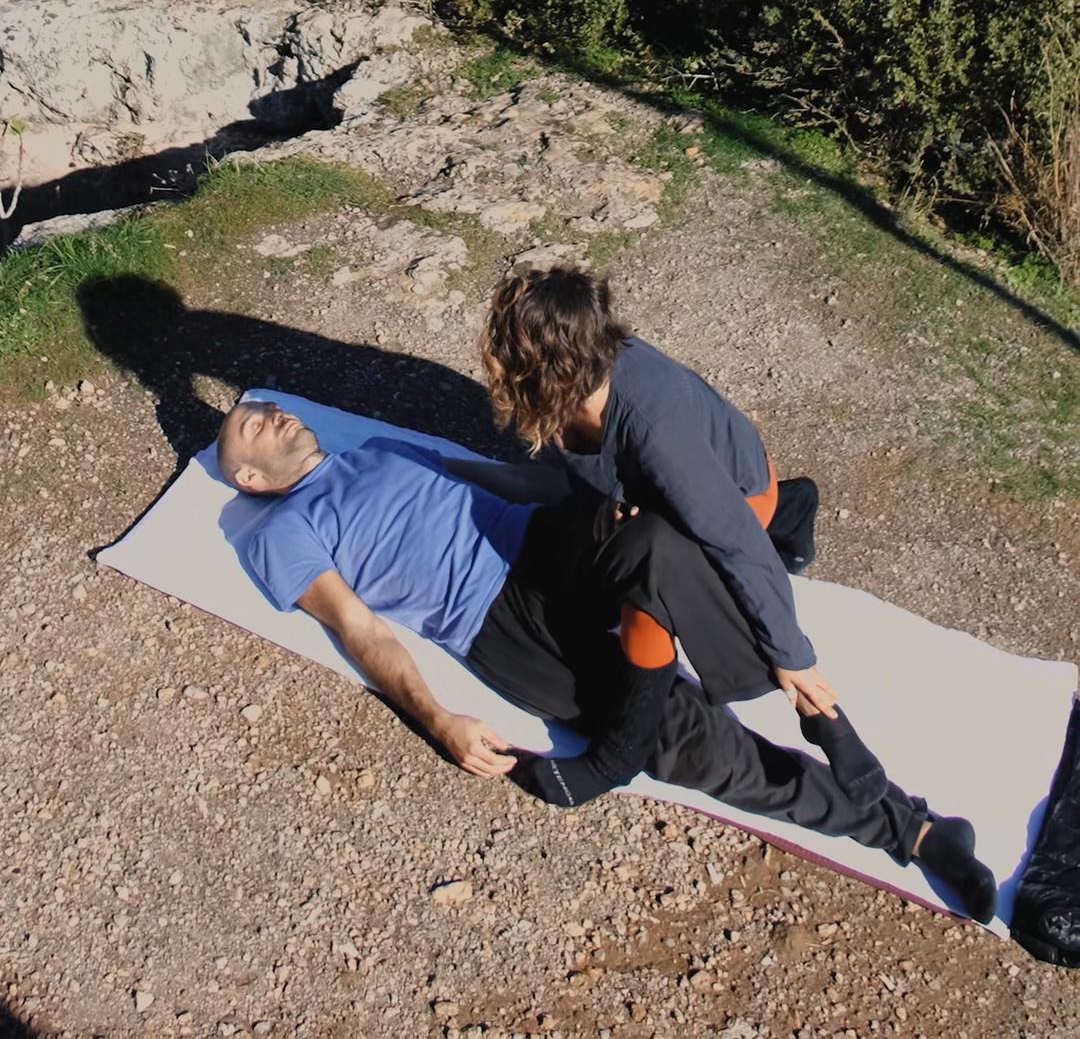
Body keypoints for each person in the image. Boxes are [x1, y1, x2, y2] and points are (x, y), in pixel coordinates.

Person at [215, 398, 999, 922]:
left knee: (653, 537)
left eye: (264, 409)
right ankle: (913, 831)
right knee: (682, 742)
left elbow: (494, 477)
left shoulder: (375, 448)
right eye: (252, 426)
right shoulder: (281, 532)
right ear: (248, 478)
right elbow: (359, 629)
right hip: (498, 624)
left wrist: (587, 496)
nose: (272, 414)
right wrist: (438, 719)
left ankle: (768, 569)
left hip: (541, 538)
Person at [482, 265, 885, 807]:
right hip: (672, 485)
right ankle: (794, 510)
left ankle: (624, 755)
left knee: (650, 576)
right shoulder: (568, 392)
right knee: (609, 550)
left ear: (554, 366)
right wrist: (606, 503)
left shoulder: (657, 428)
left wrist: (793, 655)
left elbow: (736, 542)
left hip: (736, 497)